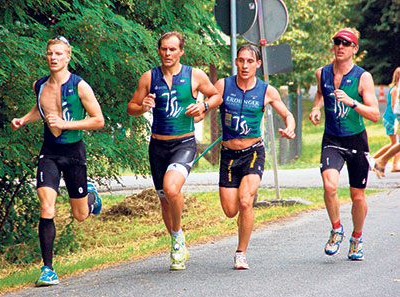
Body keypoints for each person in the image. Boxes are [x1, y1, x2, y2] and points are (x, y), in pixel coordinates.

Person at [11, 36, 105, 286]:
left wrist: (65, 124)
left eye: (59, 54)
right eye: (50, 53)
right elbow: (41, 108)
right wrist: (23, 119)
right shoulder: (39, 85)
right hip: (49, 152)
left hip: (74, 152)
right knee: (46, 206)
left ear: (68, 57)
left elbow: (98, 120)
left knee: (81, 215)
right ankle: (48, 269)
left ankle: (91, 197)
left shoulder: (80, 86)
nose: (53, 58)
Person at [126, 31, 222, 270]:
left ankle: (178, 236)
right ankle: (177, 243)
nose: (168, 54)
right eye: (164, 49)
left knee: (171, 188)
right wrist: (142, 107)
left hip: (183, 144)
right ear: (159, 50)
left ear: (181, 51)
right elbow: (131, 107)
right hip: (157, 146)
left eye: (172, 49)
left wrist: (203, 105)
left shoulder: (194, 75)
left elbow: (216, 95)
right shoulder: (149, 77)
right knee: (165, 201)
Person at [214, 44, 295, 269]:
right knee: (231, 211)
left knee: (244, 201)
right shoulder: (223, 85)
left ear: (258, 64)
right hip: (229, 154)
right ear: (236, 62)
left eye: (250, 61)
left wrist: (290, 127)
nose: (245, 65)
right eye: (241, 60)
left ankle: (241, 252)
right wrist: (197, 113)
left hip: (253, 152)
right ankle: (247, 203)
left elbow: (287, 114)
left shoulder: (266, 90)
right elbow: (206, 106)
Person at [308, 28, 379, 261]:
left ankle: (357, 238)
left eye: (346, 43)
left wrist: (352, 102)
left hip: (356, 139)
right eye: (337, 42)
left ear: (354, 49)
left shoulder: (363, 77)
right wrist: (316, 108)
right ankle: (336, 229)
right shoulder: (323, 73)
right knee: (329, 186)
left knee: (357, 196)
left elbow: (375, 115)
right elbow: (320, 94)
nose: (340, 46)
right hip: (332, 138)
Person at [372, 67, 400, 177]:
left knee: (395, 143)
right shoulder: (394, 90)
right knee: (395, 143)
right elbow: (394, 106)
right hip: (392, 118)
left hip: (394, 117)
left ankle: (380, 160)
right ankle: (379, 160)